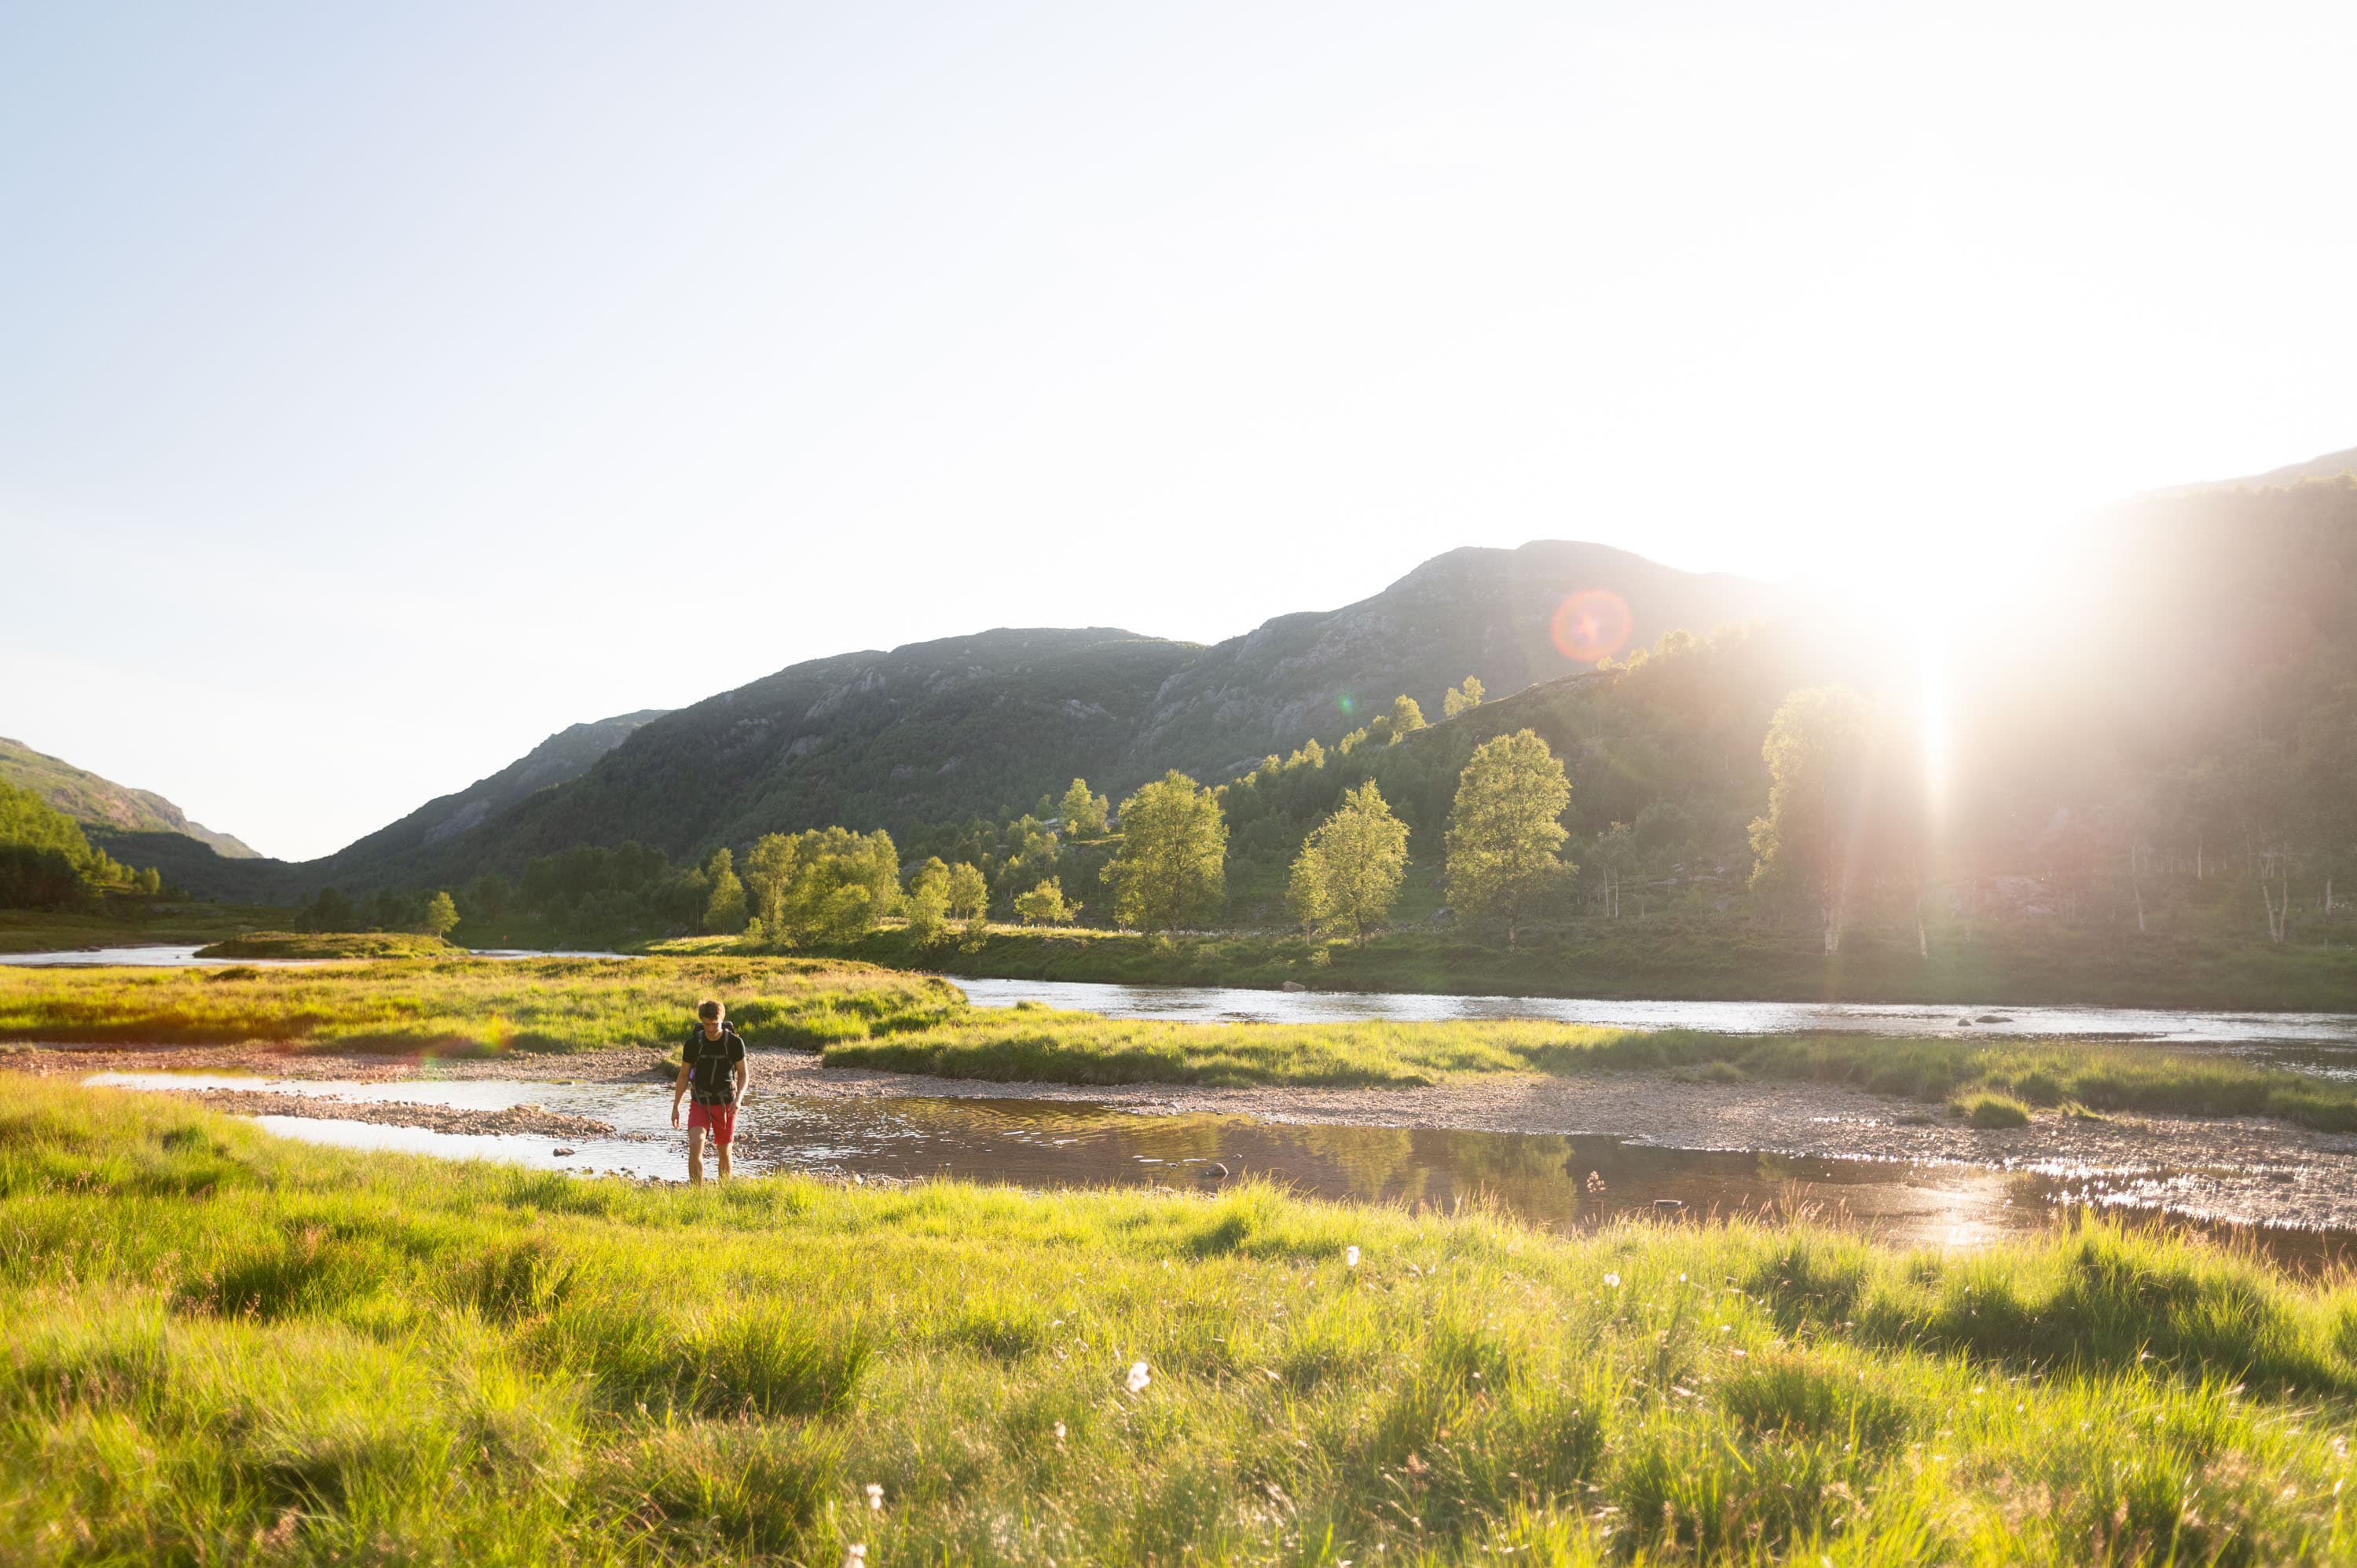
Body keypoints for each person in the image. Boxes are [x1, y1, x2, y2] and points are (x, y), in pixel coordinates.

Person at [671, 997, 748, 1184]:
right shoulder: (693, 1044)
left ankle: (724, 1190)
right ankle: (696, 1192)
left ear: (722, 1020)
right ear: (702, 1022)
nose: (711, 1029)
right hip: (700, 1102)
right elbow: (683, 1076)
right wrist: (676, 1107)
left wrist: (738, 1099)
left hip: (726, 1104)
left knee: (725, 1151)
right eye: (707, 1024)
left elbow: (744, 1074)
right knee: (695, 1144)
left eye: (715, 1024)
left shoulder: (734, 1043)